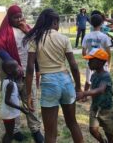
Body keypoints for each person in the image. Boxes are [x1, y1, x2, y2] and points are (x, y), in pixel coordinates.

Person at [24, 8, 84, 143]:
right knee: (73, 123)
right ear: (55, 23)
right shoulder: (64, 38)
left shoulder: (35, 40)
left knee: (50, 132)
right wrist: (79, 87)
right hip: (66, 81)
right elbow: (74, 65)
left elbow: (29, 68)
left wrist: (28, 94)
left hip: (49, 83)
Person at [0, 5, 43, 143]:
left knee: (31, 98)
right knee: (12, 101)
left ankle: (35, 129)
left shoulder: (27, 28)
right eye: (15, 17)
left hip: (28, 71)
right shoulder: (4, 31)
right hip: (11, 73)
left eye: (20, 16)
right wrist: (13, 64)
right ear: (9, 18)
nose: (19, 19)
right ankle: (14, 130)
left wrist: (26, 30)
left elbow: (37, 43)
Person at [77, 48, 113, 143]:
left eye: (91, 61)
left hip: (107, 109)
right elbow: (93, 88)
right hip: (95, 108)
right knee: (92, 130)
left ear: (100, 62)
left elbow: (101, 89)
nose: (88, 63)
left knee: (109, 133)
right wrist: (84, 94)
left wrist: (84, 93)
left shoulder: (106, 76)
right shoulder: (94, 75)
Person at [0, 60, 29, 143]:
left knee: (9, 133)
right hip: (8, 114)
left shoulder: (7, 81)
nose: (19, 69)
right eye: (16, 68)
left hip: (8, 113)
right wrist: (20, 108)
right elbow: (7, 101)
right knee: (9, 134)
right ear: (9, 71)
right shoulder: (10, 84)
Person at [82, 14, 112, 94]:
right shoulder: (104, 37)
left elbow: (83, 52)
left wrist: (88, 60)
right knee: (102, 81)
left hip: (90, 62)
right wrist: (108, 63)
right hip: (102, 63)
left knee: (89, 80)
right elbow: (108, 53)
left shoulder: (87, 36)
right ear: (101, 23)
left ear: (91, 23)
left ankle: (85, 95)